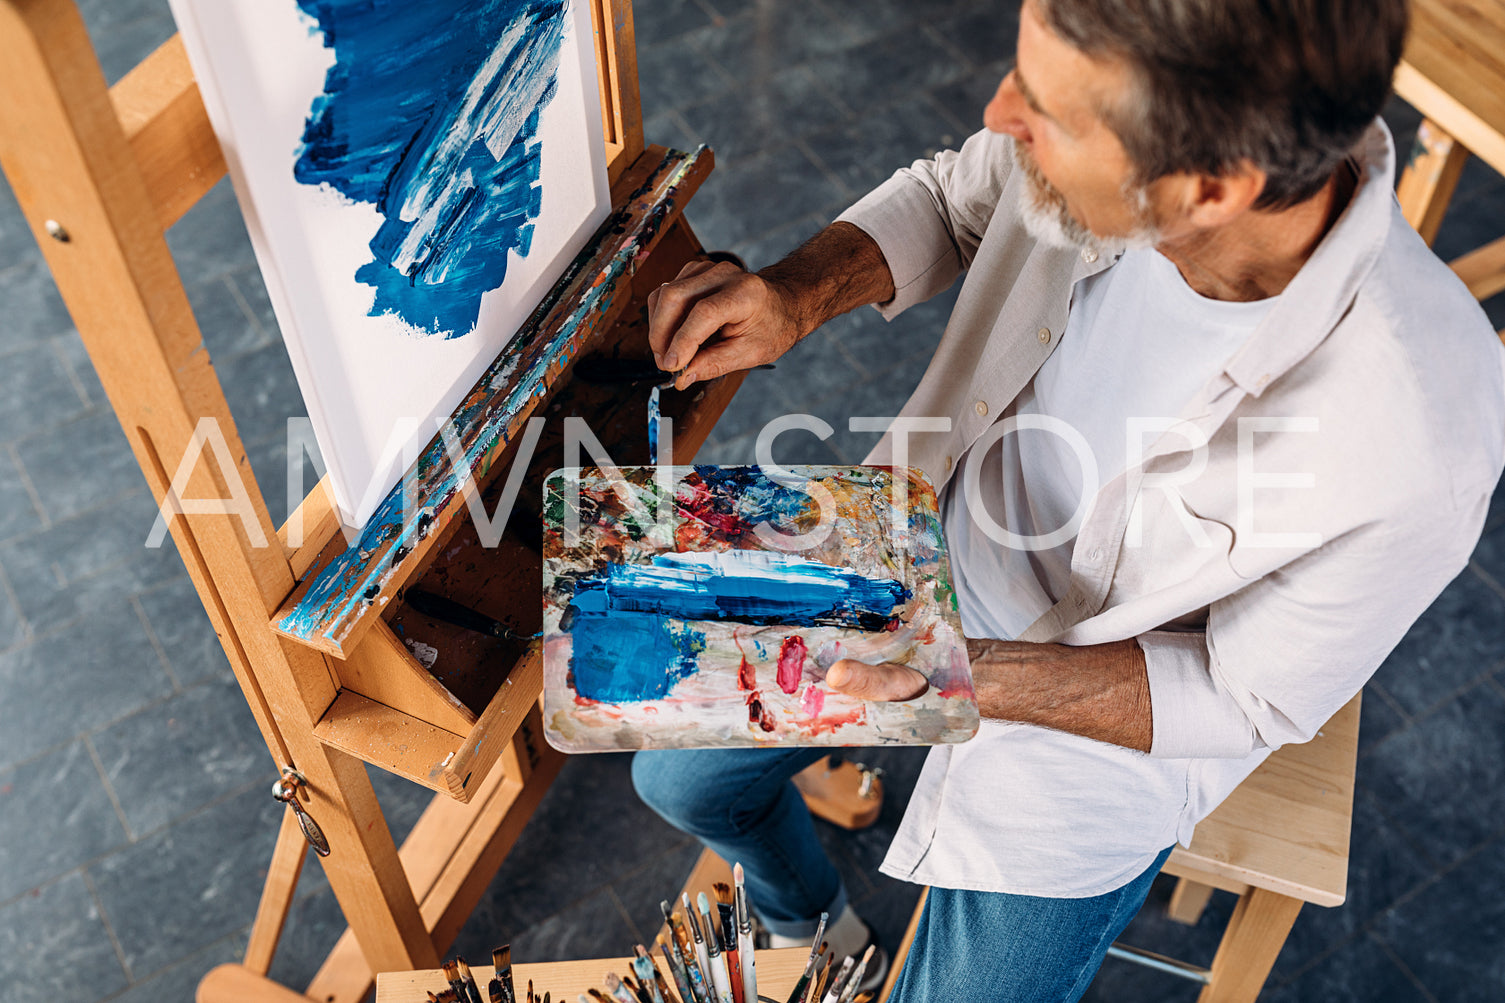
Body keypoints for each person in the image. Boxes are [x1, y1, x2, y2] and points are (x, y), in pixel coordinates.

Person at [632, 0, 1505, 998]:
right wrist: (794, 292)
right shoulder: (1116, 139)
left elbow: (1239, 691)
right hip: (922, 524)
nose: (1000, 114)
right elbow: (958, 195)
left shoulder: (1418, 440)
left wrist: (952, 669)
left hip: (1098, 734)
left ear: (1208, 189)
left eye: (1044, 113)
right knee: (676, 776)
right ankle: (808, 916)